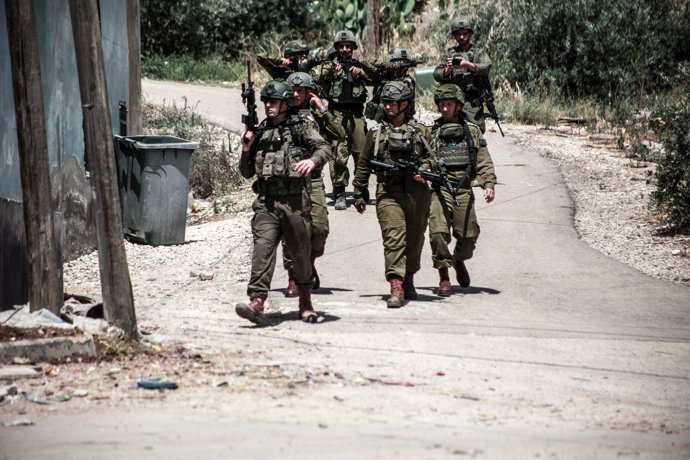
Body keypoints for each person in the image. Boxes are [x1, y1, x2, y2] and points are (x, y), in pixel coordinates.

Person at [235, 80, 331, 324]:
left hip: (295, 201)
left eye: (274, 101)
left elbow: (324, 148)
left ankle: (306, 300)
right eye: (266, 101)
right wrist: (246, 148)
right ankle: (257, 302)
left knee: (300, 254)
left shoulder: (300, 128)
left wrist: (312, 162)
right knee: (262, 250)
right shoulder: (260, 131)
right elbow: (246, 172)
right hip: (267, 203)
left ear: (285, 103)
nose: (269, 106)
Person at [352, 81, 436, 308]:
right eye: (386, 103)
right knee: (394, 238)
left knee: (415, 239)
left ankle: (409, 278)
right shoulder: (376, 133)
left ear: (404, 105)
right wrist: (359, 192)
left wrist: (425, 170)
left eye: (393, 103)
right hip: (388, 192)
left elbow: (435, 160)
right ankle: (396, 285)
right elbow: (364, 164)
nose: (388, 107)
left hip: (417, 193)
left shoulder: (421, 132)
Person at [279, 71, 344, 297]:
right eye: (293, 90)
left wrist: (321, 108)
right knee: (292, 231)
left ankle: (307, 263)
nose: (296, 94)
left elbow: (339, 133)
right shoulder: (282, 111)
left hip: (313, 178)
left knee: (319, 229)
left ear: (309, 92)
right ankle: (293, 279)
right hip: (289, 180)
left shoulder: (316, 114)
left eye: (301, 91)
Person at [428, 84, 496, 296]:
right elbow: (422, 158)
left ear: (458, 106)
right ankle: (444, 278)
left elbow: (483, 161)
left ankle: (457, 260)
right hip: (440, 189)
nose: (445, 109)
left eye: (449, 104)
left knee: (468, 238)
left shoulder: (472, 132)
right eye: (442, 105)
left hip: (464, 189)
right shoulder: (431, 132)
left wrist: (488, 184)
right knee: (438, 234)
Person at [313, 30, 378, 210]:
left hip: (357, 115)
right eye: (341, 46)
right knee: (339, 155)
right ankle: (340, 191)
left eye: (347, 46)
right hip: (337, 115)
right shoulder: (330, 67)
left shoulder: (360, 66)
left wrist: (360, 73)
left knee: (361, 153)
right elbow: (317, 81)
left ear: (352, 48)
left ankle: (360, 189)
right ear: (337, 48)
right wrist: (331, 73)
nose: (344, 49)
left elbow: (375, 78)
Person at [433, 18, 491, 133]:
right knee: (449, 130)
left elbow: (486, 67)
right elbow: (436, 74)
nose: (461, 37)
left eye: (464, 34)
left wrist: (467, 64)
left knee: (476, 131)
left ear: (470, 34)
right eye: (458, 34)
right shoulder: (450, 53)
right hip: (453, 100)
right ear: (455, 36)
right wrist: (447, 70)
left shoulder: (478, 52)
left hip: (472, 101)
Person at [366, 47, 417, 124]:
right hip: (379, 121)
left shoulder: (408, 82)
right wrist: (383, 65)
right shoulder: (381, 76)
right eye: (397, 63)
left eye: (404, 64)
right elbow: (365, 63)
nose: (401, 67)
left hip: (400, 122)